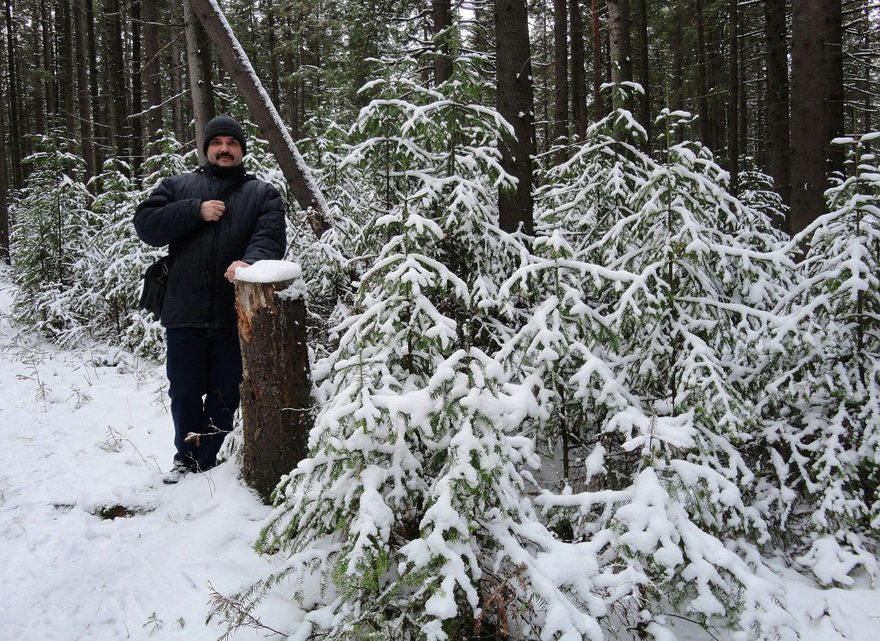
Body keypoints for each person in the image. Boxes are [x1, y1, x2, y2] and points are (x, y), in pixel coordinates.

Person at [134, 115, 286, 480]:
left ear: (242, 150)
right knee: (184, 392)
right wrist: (194, 211)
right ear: (206, 149)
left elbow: (271, 238)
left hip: (233, 316)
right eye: (217, 143)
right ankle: (184, 457)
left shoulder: (262, 194)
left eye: (232, 143)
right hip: (184, 312)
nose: (223, 149)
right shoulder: (178, 186)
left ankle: (205, 461)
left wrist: (249, 262)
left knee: (225, 394)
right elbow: (147, 225)